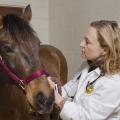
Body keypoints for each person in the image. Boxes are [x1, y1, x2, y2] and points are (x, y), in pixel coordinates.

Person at [48, 20, 120, 120]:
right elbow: (67, 92)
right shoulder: (87, 65)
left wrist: (57, 98)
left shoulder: (114, 82)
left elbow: (84, 117)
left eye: (87, 42)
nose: (81, 44)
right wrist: (52, 86)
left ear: (105, 50)